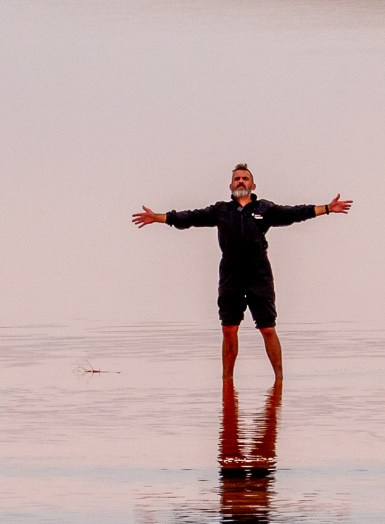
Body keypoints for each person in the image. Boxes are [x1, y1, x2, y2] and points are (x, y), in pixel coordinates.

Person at [132, 163, 351, 382]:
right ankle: (227, 381)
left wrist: (328, 208)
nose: (241, 182)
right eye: (237, 179)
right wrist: (157, 217)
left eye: (245, 179)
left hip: (259, 275)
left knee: (267, 328)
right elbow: (189, 218)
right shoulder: (221, 211)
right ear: (230, 186)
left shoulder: (265, 209)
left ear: (253, 185)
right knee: (229, 328)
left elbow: (294, 213)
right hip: (230, 276)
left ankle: (279, 379)